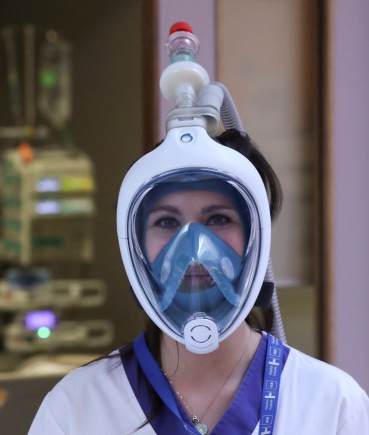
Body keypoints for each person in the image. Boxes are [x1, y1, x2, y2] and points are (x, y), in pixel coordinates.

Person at [28, 128, 369, 434]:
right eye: (166, 222)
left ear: (256, 239)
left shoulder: (331, 405)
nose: (192, 248)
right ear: (136, 247)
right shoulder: (76, 408)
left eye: (219, 219)